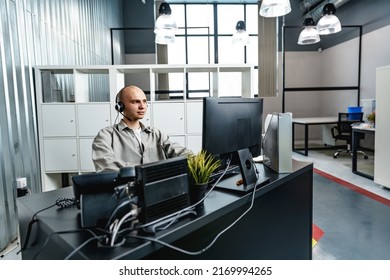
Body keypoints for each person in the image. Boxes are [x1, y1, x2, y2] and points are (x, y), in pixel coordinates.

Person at [92, 85, 193, 172]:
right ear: (120, 106)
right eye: (135, 102)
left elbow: (178, 151)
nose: (142, 106)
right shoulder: (106, 135)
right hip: (127, 191)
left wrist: (197, 161)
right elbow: (106, 166)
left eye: (144, 101)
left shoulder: (156, 133)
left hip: (158, 189)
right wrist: (145, 173)